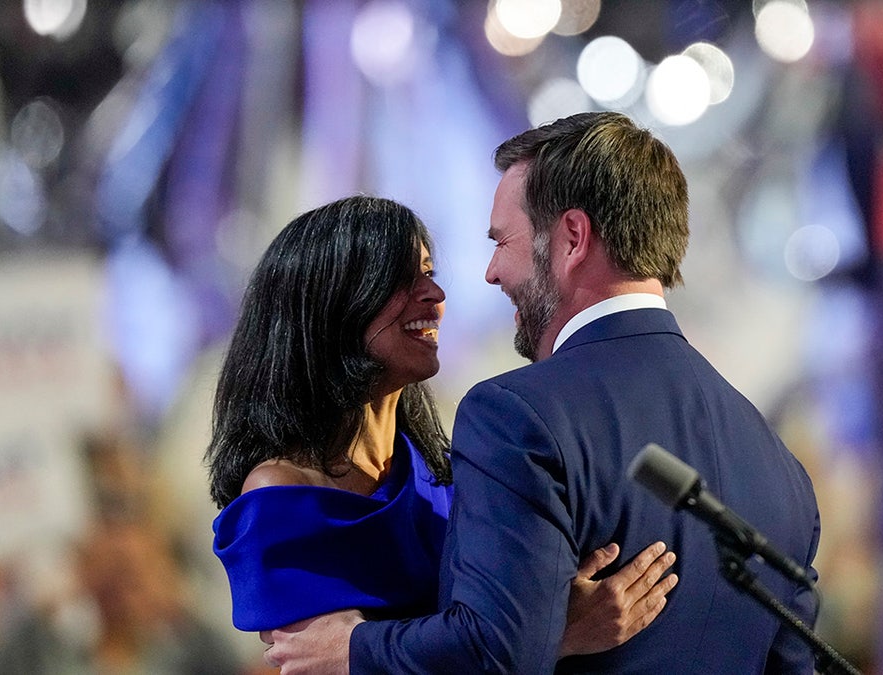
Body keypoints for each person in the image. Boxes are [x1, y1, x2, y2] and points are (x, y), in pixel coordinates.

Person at [268, 112, 822, 673]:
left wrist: (354, 650)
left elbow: (494, 650)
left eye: (503, 240)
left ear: (572, 239)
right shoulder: (781, 468)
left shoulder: (515, 416)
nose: (491, 272)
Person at [204, 196, 677, 663]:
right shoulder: (279, 495)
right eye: (400, 279)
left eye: (427, 274)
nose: (434, 295)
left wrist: (535, 616)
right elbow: (331, 663)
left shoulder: (445, 470)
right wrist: (549, 633)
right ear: (331, 304)